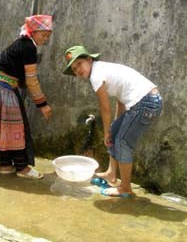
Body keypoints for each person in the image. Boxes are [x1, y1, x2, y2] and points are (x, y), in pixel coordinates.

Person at [63, 45, 162, 197]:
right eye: (75, 69)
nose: (78, 70)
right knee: (116, 133)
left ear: (89, 60)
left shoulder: (96, 76)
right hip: (147, 101)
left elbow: (105, 108)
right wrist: (113, 127)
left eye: (79, 64)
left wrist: (106, 132)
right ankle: (111, 173)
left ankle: (125, 187)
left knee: (122, 142)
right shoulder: (103, 69)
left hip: (144, 103)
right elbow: (120, 101)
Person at [0, 15, 53, 179]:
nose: (45, 39)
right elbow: (31, 80)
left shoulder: (22, 44)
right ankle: (22, 168)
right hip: (3, 88)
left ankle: (5, 166)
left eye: (48, 36)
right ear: (33, 31)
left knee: (4, 128)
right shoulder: (29, 47)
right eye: (43, 35)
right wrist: (43, 105)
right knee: (16, 128)